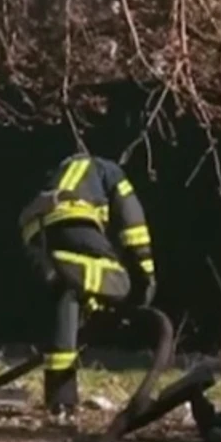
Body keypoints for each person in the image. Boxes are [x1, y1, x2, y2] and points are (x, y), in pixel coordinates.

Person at [17, 151, 158, 415]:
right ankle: (102, 293)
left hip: (37, 234)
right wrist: (144, 277)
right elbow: (133, 225)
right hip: (74, 222)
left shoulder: (58, 176)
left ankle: (61, 400)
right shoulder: (113, 174)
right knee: (117, 283)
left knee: (66, 296)